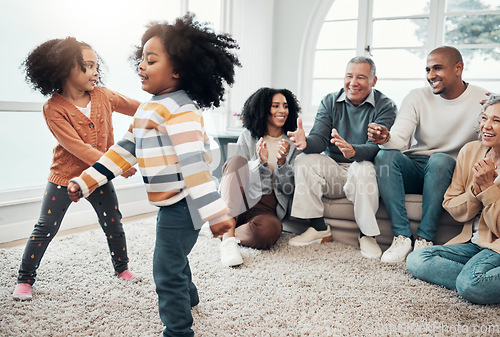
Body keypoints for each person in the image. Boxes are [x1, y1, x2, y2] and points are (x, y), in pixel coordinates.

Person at [67, 13, 240, 337]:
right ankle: (189, 296)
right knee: (174, 255)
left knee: (164, 266)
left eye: (152, 59)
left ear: (177, 70)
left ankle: (178, 331)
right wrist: (86, 181)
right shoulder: (149, 108)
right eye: (142, 59)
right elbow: (122, 151)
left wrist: (216, 213)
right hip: (170, 202)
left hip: (186, 202)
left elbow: (195, 166)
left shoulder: (183, 111)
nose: (142, 66)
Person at [12, 37, 141, 301]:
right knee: (45, 227)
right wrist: (117, 165)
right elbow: (77, 148)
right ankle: (25, 279)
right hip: (64, 177)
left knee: (113, 223)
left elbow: (140, 110)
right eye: (88, 66)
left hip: (99, 178)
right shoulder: (53, 108)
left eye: (96, 66)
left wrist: (164, 111)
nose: (95, 72)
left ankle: (122, 268)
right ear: (64, 69)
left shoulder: (104, 96)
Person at [368, 46, 489, 263]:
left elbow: (489, 141)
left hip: (449, 171)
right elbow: (398, 139)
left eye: (438, 68)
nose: (430, 75)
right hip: (416, 167)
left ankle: (425, 238)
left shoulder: (482, 99)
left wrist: (491, 112)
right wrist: (385, 138)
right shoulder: (416, 97)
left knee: (441, 160)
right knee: (384, 156)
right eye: (427, 69)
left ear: (458, 68)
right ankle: (402, 237)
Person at [286, 56, 397, 259]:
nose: (353, 83)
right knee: (303, 160)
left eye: (361, 77)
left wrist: (353, 151)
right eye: (349, 76)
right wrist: (305, 143)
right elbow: (319, 139)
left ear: (374, 81)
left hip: (364, 171)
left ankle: (367, 235)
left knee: (363, 167)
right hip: (334, 171)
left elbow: (377, 147)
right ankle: (318, 228)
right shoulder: (330, 101)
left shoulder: (386, 106)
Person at [406, 95, 500, 305]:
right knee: (417, 259)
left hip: (497, 246)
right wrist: (476, 190)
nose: (487, 125)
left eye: (497, 120)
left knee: (470, 285)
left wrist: (489, 189)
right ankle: (479, 280)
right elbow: (453, 206)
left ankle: (475, 281)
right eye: (484, 118)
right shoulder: (470, 151)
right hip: (474, 245)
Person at [219, 87, 301, 267]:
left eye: (286, 106)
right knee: (237, 160)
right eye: (275, 106)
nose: (282, 110)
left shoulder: (293, 143)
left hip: (267, 207)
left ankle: (226, 231)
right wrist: (260, 163)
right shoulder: (247, 137)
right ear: (263, 109)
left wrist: (281, 163)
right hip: (240, 200)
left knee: (270, 232)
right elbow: (235, 172)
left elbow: (289, 188)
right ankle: (228, 241)